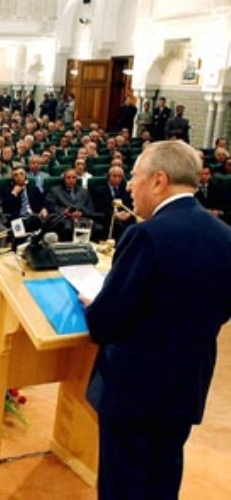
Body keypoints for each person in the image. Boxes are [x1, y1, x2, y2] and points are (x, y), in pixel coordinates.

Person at [81, 140, 231, 499]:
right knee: (162, 482)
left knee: (123, 486)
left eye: (135, 177)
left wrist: (94, 304)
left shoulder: (146, 235)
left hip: (133, 392)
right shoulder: (225, 235)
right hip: (185, 387)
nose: (129, 186)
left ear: (159, 180)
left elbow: (105, 322)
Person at [44, 167, 96, 241]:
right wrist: (66, 212)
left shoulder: (84, 191)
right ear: (64, 179)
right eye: (68, 178)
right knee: (67, 228)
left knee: (97, 228)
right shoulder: (55, 190)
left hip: (81, 218)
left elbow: (90, 208)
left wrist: (81, 213)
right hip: (64, 218)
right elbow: (51, 206)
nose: (71, 180)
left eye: (73, 178)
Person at [90, 165, 134, 242]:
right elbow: (99, 207)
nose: (117, 179)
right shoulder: (99, 190)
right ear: (109, 176)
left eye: (120, 177)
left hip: (124, 216)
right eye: (114, 176)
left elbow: (130, 204)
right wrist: (114, 214)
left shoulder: (126, 189)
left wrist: (129, 213)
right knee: (118, 225)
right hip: (107, 217)